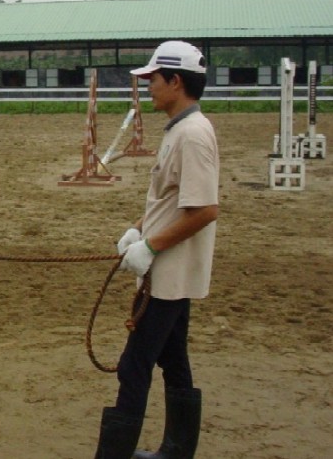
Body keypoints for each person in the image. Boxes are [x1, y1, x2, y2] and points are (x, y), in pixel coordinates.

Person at [94, 41, 219, 459]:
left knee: (134, 366)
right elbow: (169, 200)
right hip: (168, 269)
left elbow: (204, 210)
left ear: (176, 81)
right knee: (174, 360)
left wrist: (150, 246)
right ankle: (176, 450)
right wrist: (138, 229)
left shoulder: (193, 135)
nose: (148, 87)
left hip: (170, 269)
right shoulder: (179, 130)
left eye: (153, 79)